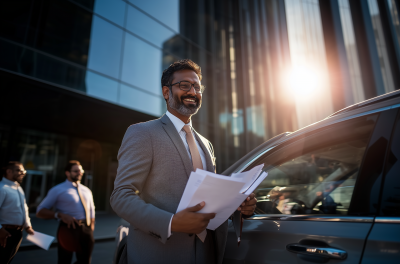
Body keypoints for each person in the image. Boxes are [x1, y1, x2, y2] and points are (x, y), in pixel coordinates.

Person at [110, 59, 257, 264]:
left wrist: (238, 206)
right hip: (160, 254)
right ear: (166, 92)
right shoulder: (142, 133)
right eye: (184, 85)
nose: (193, 92)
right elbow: (121, 196)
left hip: (207, 252)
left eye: (197, 87)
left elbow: (209, 199)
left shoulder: (206, 143)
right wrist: (171, 222)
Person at [36, 160, 95, 264]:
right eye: (76, 171)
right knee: (65, 260)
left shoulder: (87, 190)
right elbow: (40, 211)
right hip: (67, 229)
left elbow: (91, 210)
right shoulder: (57, 189)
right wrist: (59, 215)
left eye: (81, 171)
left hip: (86, 230)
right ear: (67, 173)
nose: (79, 173)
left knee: (85, 261)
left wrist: (91, 227)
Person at [0, 161, 34, 264]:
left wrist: (28, 225)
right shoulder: (2, 188)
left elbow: (24, 208)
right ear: (9, 171)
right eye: (19, 170)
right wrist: (0, 229)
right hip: (4, 233)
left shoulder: (18, 188)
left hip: (17, 233)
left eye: (23, 170)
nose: (23, 172)